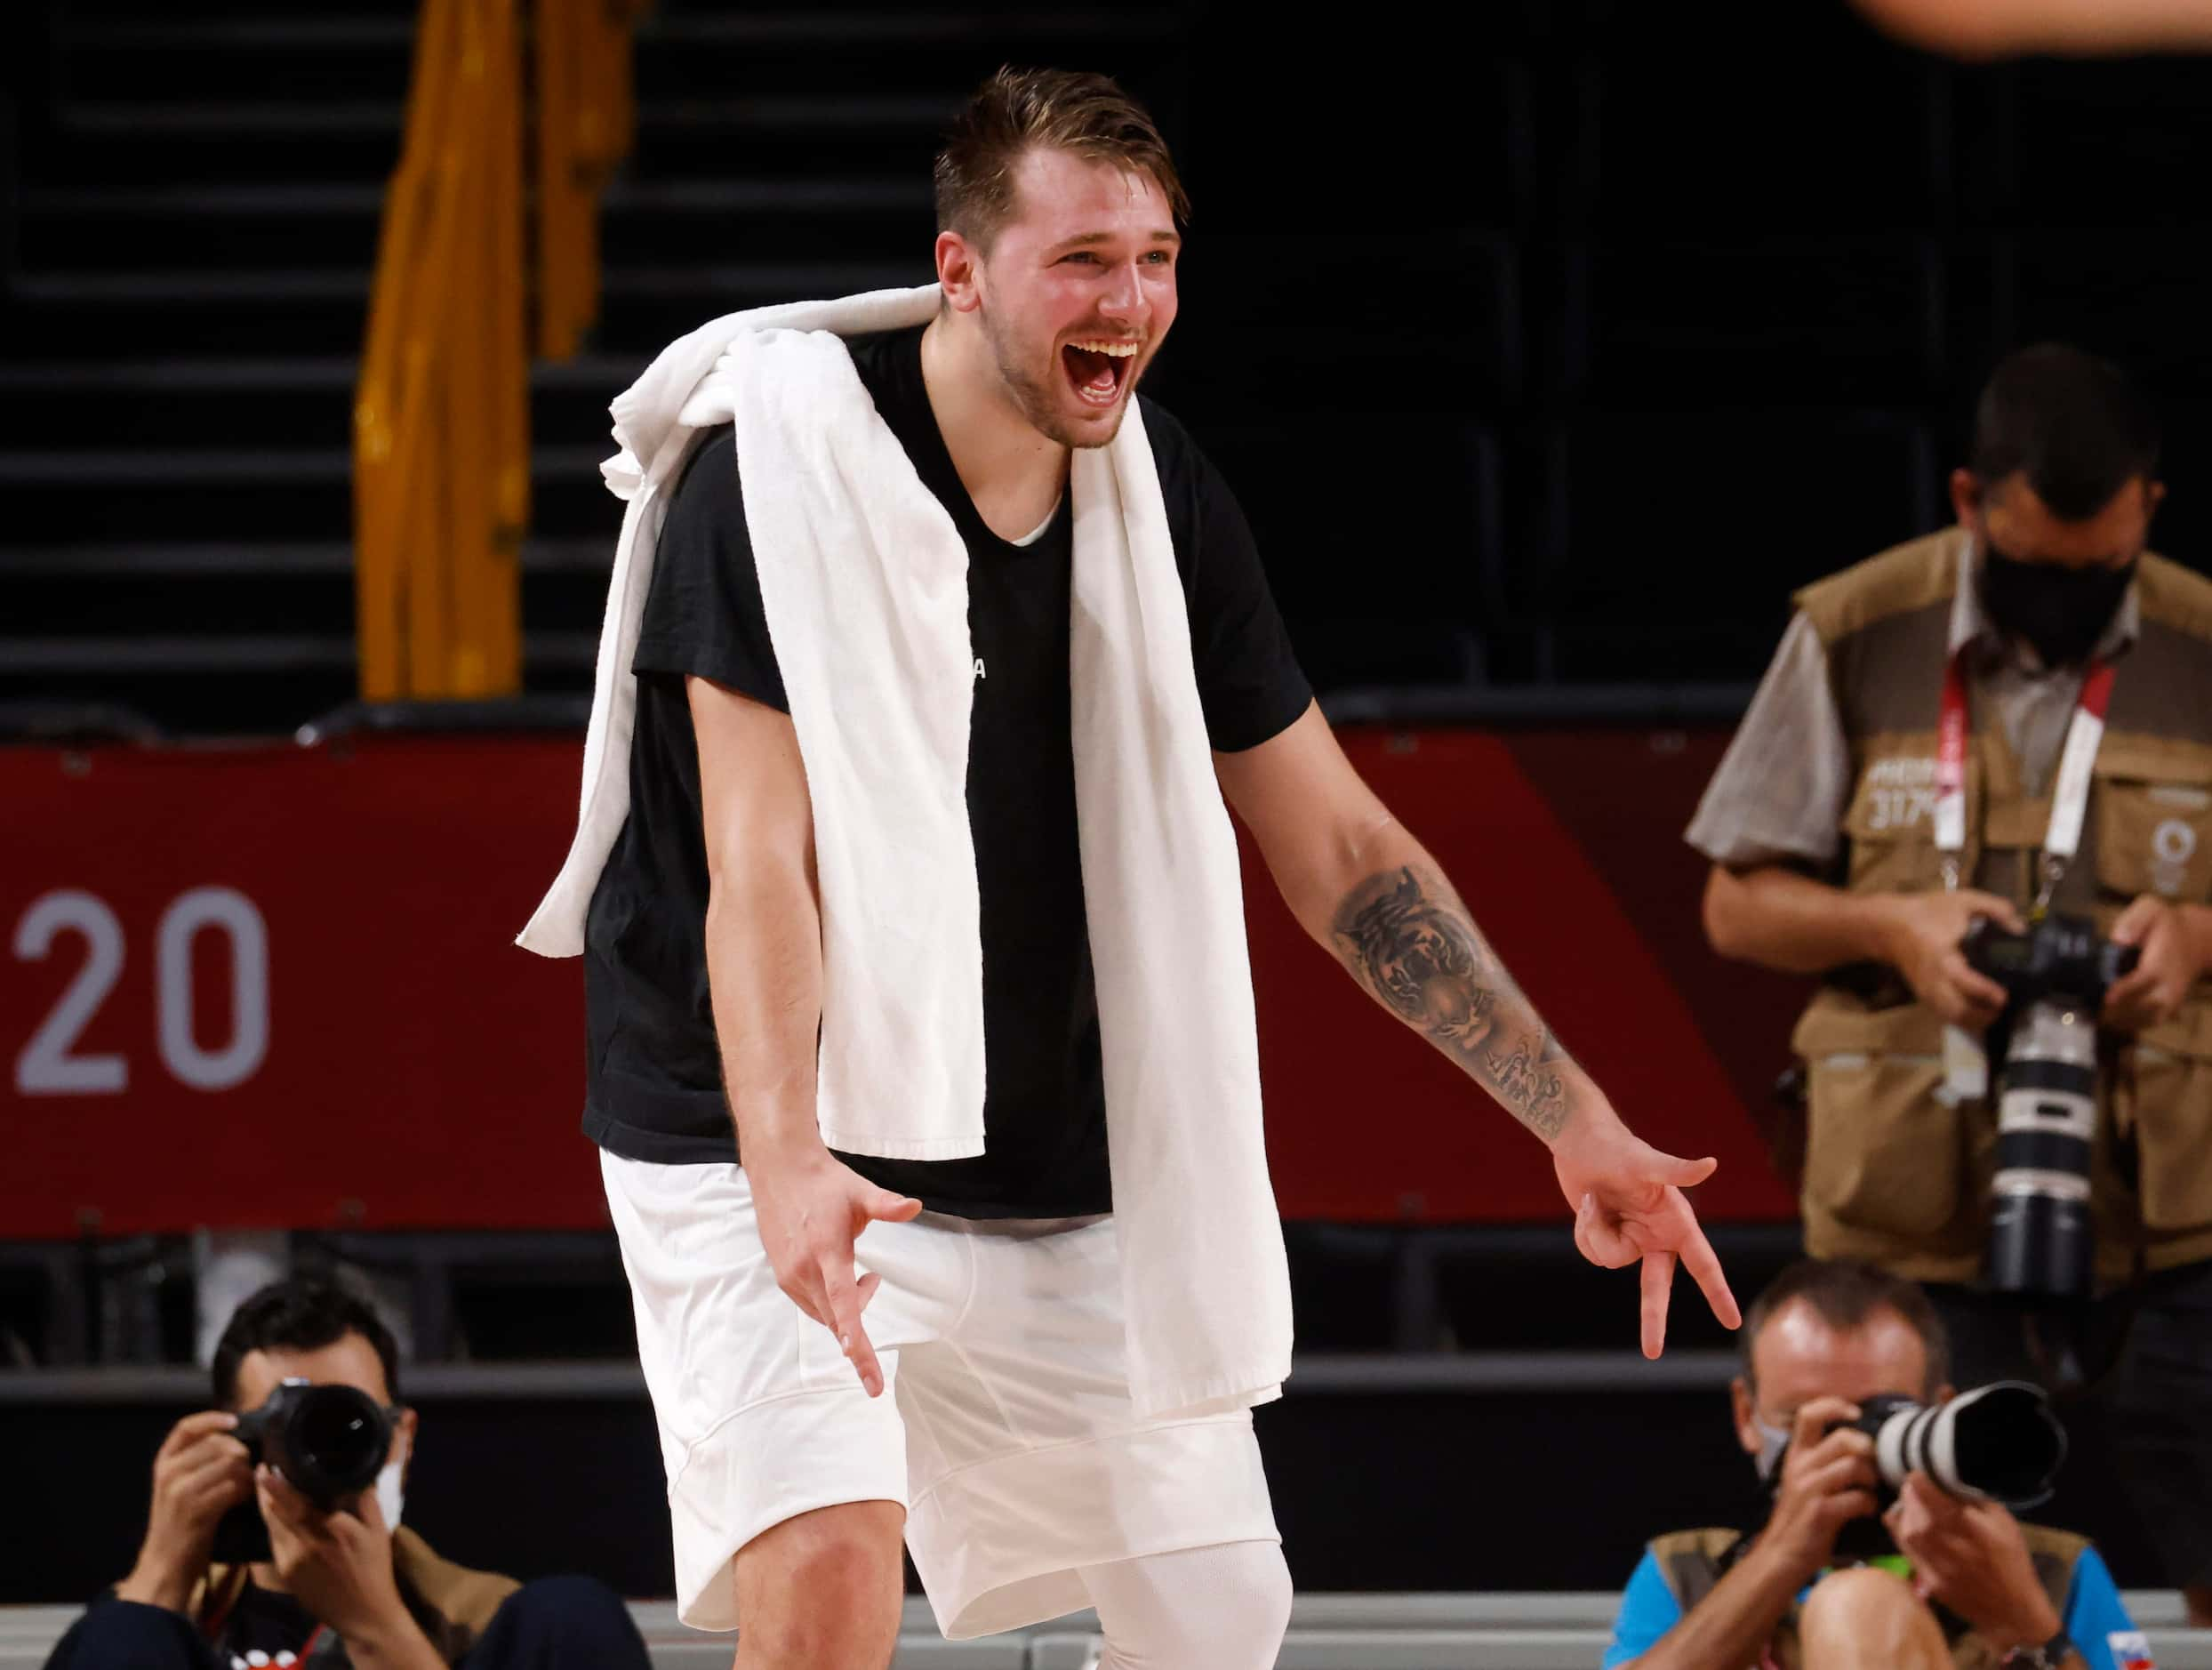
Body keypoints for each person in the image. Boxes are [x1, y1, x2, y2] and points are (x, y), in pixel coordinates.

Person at [529, 65, 1741, 1670]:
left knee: (1218, 1606)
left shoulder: (1160, 492)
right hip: (761, 1125)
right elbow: (761, 862)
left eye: (1157, 257)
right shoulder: (781, 464)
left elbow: (1342, 846)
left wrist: (1573, 1119)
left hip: (1038, 1151)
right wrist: (784, 1161)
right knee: (826, 1572)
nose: (1132, 298)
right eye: (1084, 258)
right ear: (959, 271)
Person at [1692, 343, 2212, 1623]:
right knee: (1908, 1565)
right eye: (2036, 570)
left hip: (2177, 1206)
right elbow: (1734, 903)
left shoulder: (2203, 643)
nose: (2069, 602)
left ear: (2150, 502)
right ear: (1972, 500)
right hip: (1918, 1206)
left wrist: (2197, 934)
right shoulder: (1857, 627)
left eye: (2100, 575)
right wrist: (1895, 926)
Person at [41, 1279, 650, 1670]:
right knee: (120, 1639)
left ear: (402, 1438)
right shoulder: (153, 1634)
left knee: (572, 1614)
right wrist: (158, 1579)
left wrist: (377, 1631)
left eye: (347, 1424)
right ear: (230, 1443)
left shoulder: (499, 1630)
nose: (319, 1453)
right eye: (289, 1427)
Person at [1604, 1259, 2151, 1669]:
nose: (1850, 1449)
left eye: (1879, 1416)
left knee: (1860, 1603)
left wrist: (2026, 1625)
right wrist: (1778, 1560)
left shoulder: (2046, 1570)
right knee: (1857, 1603)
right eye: (1806, 1422)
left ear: (1938, 1415)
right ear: (1747, 1415)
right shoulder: (1690, 1571)